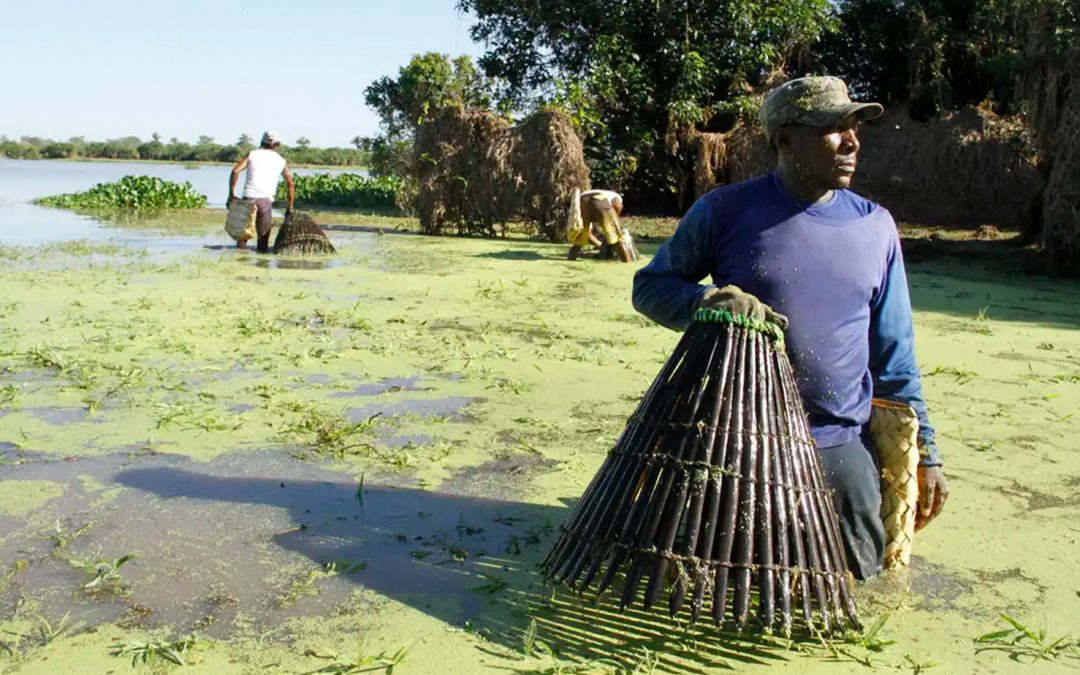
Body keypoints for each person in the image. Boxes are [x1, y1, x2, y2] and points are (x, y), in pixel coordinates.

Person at [631, 76, 949, 579]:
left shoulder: (875, 227)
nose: (852, 142)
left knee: (858, 581)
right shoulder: (724, 211)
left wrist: (926, 453)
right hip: (737, 444)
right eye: (833, 129)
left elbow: (894, 357)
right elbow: (651, 286)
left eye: (854, 128)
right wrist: (706, 302)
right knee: (714, 581)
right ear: (784, 138)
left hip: (837, 444)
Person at [227, 131, 295, 253]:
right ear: (277, 144)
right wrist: (290, 206)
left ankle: (239, 266)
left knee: (242, 239)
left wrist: (231, 194)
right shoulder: (280, 160)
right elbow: (290, 183)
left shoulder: (252, 154)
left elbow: (236, 171)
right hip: (265, 202)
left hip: (248, 199)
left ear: (262, 142)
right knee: (263, 242)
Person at [566, 189, 635, 262]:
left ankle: (571, 258)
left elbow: (588, 234)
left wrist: (600, 246)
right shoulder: (617, 199)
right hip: (598, 199)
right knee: (616, 237)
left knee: (581, 236)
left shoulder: (605, 194)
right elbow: (617, 206)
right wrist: (614, 224)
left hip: (581, 201)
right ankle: (627, 262)